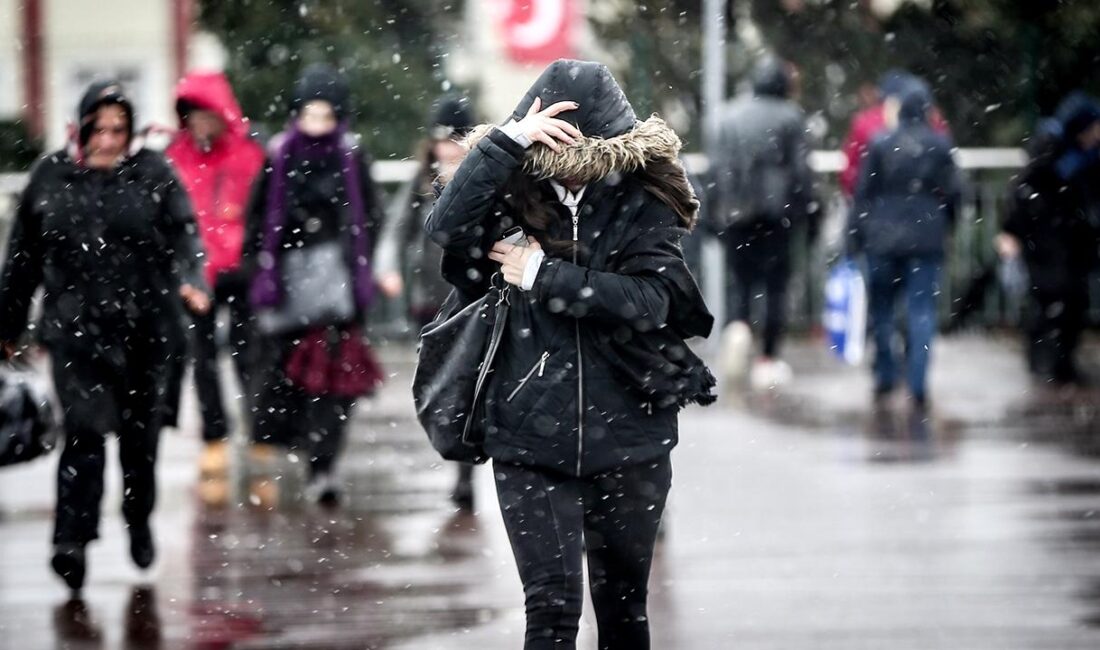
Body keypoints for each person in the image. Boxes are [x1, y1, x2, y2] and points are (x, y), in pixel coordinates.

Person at [426, 59, 715, 650]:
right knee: (552, 613)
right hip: (528, 431)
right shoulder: (510, 189)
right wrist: (506, 142)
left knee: (624, 613)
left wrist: (546, 275)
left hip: (630, 429)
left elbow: (653, 299)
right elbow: (445, 227)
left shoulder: (641, 199)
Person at [0, 81, 210, 592]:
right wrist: (8, 324)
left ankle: (138, 520)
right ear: (82, 125)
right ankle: (70, 542)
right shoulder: (52, 175)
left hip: (146, 331)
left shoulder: (154, 173)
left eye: (119, 129)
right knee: (84, 436)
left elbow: (186, 235)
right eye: (100, 128)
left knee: (139, 445)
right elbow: (23, 257)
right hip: (76, 333)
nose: (109, 139)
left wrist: (192, 280)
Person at [242, 65, 384, 508]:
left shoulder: (350, 156)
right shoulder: (279, 155)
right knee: (285, 381)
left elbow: (370, 217)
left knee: (334, 384)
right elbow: (257, 218)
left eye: (326, 115)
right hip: (285, 290)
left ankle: (323, 465)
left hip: (338, 293)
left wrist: (355, 267)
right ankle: (304, 453)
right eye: (310, 114)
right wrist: (261, 270)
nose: (317, 124)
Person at [374, 94, 480, 510]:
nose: (447, 149)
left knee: (469, 382)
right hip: (431, 301)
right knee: (441, 384)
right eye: (441, 140)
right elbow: (396, 231)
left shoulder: (483, 177)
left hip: (473, 295)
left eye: (455, 140)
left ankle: (465, 471)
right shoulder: (422, 184)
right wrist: (388, 269)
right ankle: (454, 451)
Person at [165, 71, 264, 506]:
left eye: (206, 115)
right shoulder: (175, 157)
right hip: (197, 276)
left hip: (240, 272)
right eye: (192, 117)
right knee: (201, 359)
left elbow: (262, 214)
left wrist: (252, 258)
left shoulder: (249, 153)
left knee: (250, 357)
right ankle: (215, 436)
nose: (200, 125)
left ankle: (259, 431)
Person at [848, 80, 961, 412]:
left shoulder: (881, 143)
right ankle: (917, 382)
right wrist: (945, 224)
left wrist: (856, 234)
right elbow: (955, 193)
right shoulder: (940, 146)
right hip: (926, 237)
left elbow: (863, 194)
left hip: (883, 238)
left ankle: (885, 376)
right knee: (921, 310)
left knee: (882, 308)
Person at [711, 56, 819, 389]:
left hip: (736, 212)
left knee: (740, 281)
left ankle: (739, 328)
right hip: (777, 214)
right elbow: (801, 172)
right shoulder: (790, 117)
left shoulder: (728, 116)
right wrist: (809, 212)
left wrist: (714, 215)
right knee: (775, 287)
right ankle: (768, 359)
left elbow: (717, 170)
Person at [997, 92, 1100, 385]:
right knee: (1048, 302)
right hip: (1046, 242)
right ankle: (1046, 365)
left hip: (1072, 242)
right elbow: (1022, 191)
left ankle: (1060, 364)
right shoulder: (1052, 148)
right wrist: (1013, 231)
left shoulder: (1087, 156)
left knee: (1072, 303)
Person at [840, 70, 950, 199]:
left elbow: (851, 172)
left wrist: (862, 202)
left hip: (880, 207)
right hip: (926, 206)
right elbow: (946, 170)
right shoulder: (932, 118)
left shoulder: (865, 123)